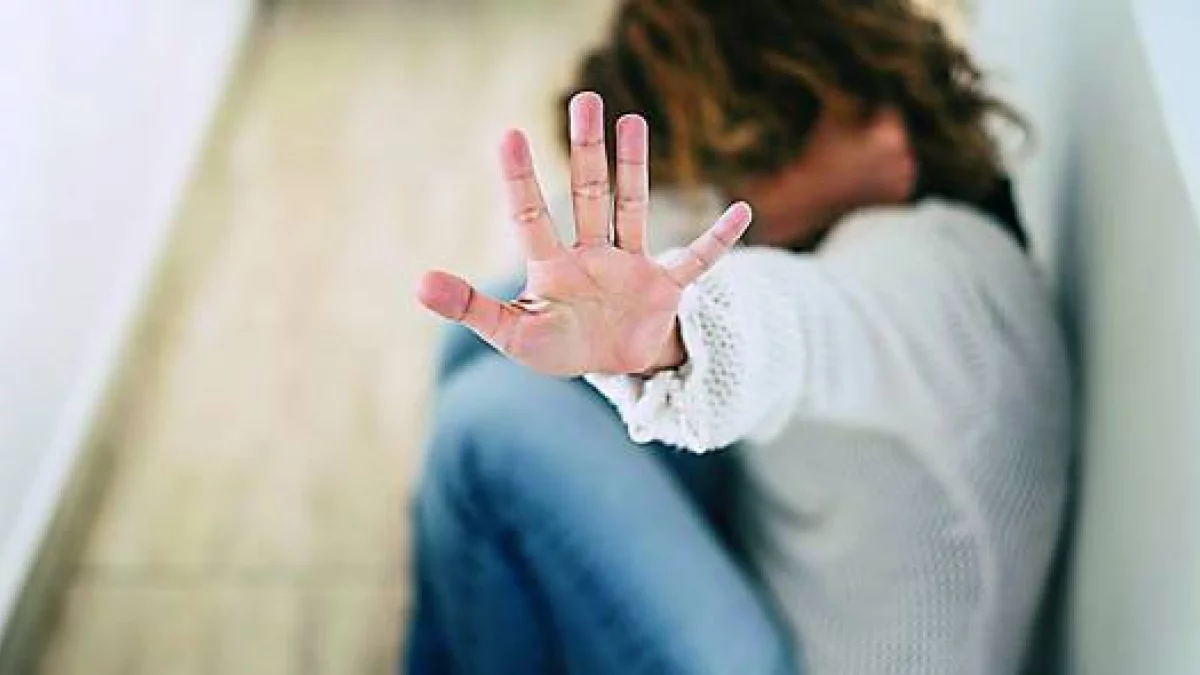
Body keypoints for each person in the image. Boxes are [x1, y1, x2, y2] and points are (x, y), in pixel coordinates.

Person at [405, 0, 1071, 673]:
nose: (718, 195)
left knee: (489, 429)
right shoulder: (859, 220)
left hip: (802, 660)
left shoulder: (940, 275)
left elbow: (796, 327)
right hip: (761, 570)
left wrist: (671, 338)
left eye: (728, 172)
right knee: (492, 337)